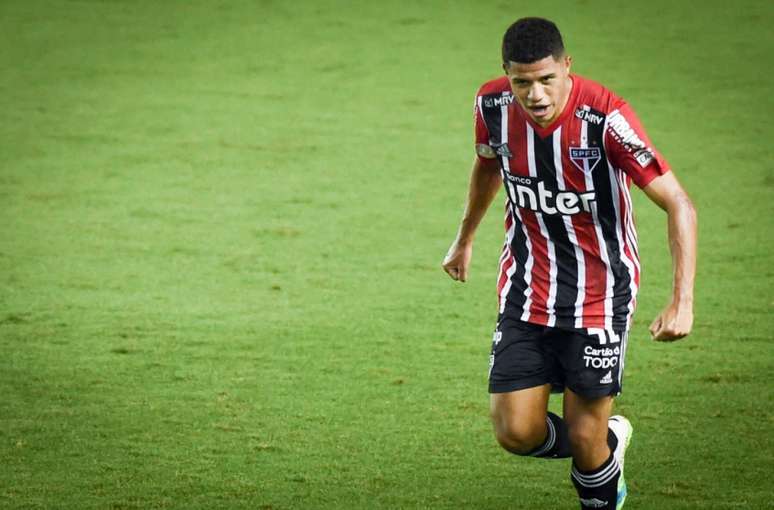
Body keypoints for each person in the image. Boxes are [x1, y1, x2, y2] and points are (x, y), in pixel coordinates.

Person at [441, 17, 696, 510]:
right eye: (522, 82)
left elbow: (679, 203)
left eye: (546, 80)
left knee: (584, 440)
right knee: (516, 432)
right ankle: (607, 443)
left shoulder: (605, 118)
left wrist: (682, 300)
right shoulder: (491, 105)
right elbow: (489, 164)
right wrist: (464, 238)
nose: (535, 95)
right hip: (526, 290)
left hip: (599, 299)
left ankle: (600, 455)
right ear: (506, 75)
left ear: (566, 67)